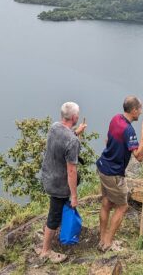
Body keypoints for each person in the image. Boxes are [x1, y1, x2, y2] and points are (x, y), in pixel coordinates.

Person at [96, 96, 143, 252]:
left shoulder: (115, 118)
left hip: (103, 166)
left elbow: (108, 139)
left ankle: (102, 239)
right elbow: (139, 157)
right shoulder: (129, 130)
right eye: (139, 109)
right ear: (133, 111)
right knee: (122, 206)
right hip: (114, 174)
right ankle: (107, 243)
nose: (140, 112)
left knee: (106, 203)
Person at [38, 102, 86, 263]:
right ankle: (46, 251)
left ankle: (53, 234)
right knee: (54, 215)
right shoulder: (73, 142)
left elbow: (63, 139)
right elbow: (71, 171)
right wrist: (74, 195)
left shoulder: (54, 127)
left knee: (56, 210)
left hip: (48, 177)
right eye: (77, 115)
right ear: (74, 117)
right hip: (59, 184)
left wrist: (75, 132)